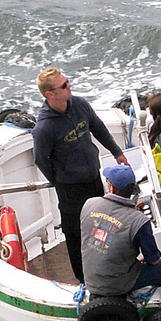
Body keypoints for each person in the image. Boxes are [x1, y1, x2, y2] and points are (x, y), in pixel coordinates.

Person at [32, 68, 130, 282]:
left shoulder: (80, 105)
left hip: (93, 178)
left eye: (68, 82)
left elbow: (98, 128)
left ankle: (104, 265)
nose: (70, 87)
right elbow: (41, 160)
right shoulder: (45, 127)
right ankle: (82, 277)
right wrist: (60, 180)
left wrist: (117, 152)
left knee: (101, 223)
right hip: (70, 188)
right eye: (64, 85)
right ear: (50, 94)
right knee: (75, 232)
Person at [79, 164, 161, 296]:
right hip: (119, 285)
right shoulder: (139, 220)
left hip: (91, 281)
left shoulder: (89, 204)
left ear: (111, 187)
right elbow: (153, 260)